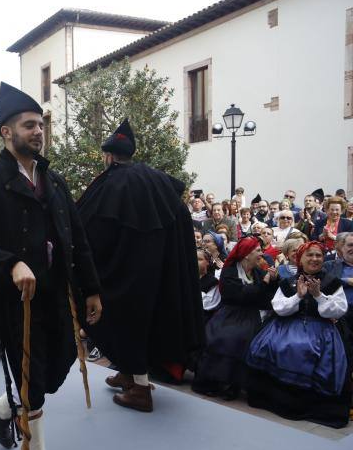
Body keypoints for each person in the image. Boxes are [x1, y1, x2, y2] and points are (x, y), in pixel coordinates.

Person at [0, 82, 102, 450]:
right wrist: (11, 263)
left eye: (41, 124)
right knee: (33, 382)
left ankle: (2, 410)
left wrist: (91, 290)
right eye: (29, 125)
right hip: (14, 302)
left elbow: (76, 238)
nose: (38, 131)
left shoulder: (54, 180)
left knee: (55, 368)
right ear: (7, 132)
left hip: (57, 296)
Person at [78, 118, 204, 403]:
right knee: (146, 321)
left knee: (124, 321)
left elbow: (87, 226)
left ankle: (141, 389)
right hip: (162, 272)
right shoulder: (159, 179)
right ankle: (128, 372)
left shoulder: (110, 182)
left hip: (127, 274)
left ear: (109, 156)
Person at [247, 241, 350, 428]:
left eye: (318, 255)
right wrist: (298, 296)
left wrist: (319, 295)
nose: (315, 259)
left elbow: (338, 311)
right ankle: (276, 400)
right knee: (270, 347)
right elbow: (279, 308)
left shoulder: (331, 282)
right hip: (285, 327)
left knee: (308, 352)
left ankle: (309, 407)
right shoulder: (288, 282)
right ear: (300, 258)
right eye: (309, 255)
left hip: (321, 331)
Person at [192, 237, 279, 400]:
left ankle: (235, 383)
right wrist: (264, 284)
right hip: (230, 313)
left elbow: (264, 298)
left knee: (245, 337)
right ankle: (218, 381)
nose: (262, 253)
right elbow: (237, 295)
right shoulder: (230, 270)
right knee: (225, 337)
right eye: (258, 250)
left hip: (252, 314)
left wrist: (273, 281)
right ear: (246, 254)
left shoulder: (259, 272)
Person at [197, 248, 220, 323]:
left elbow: (208, 304)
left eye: (199, 259)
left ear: (207, 262)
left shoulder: (213, 282)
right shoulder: (186, 279)